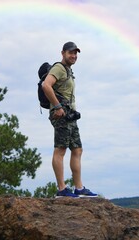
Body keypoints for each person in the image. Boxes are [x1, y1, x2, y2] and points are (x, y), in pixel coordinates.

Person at [42, 41, 97, 198]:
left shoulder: (68, 71)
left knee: (77, 149)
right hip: (61, 114)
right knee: (60, 149)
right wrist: (58, 107)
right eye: (70, 53)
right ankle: (61, 189)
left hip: (69, 115)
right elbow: (46, 85)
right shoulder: (59, 68)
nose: (73, 56)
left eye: (75, 53)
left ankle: (79, 188)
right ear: (63, 53)